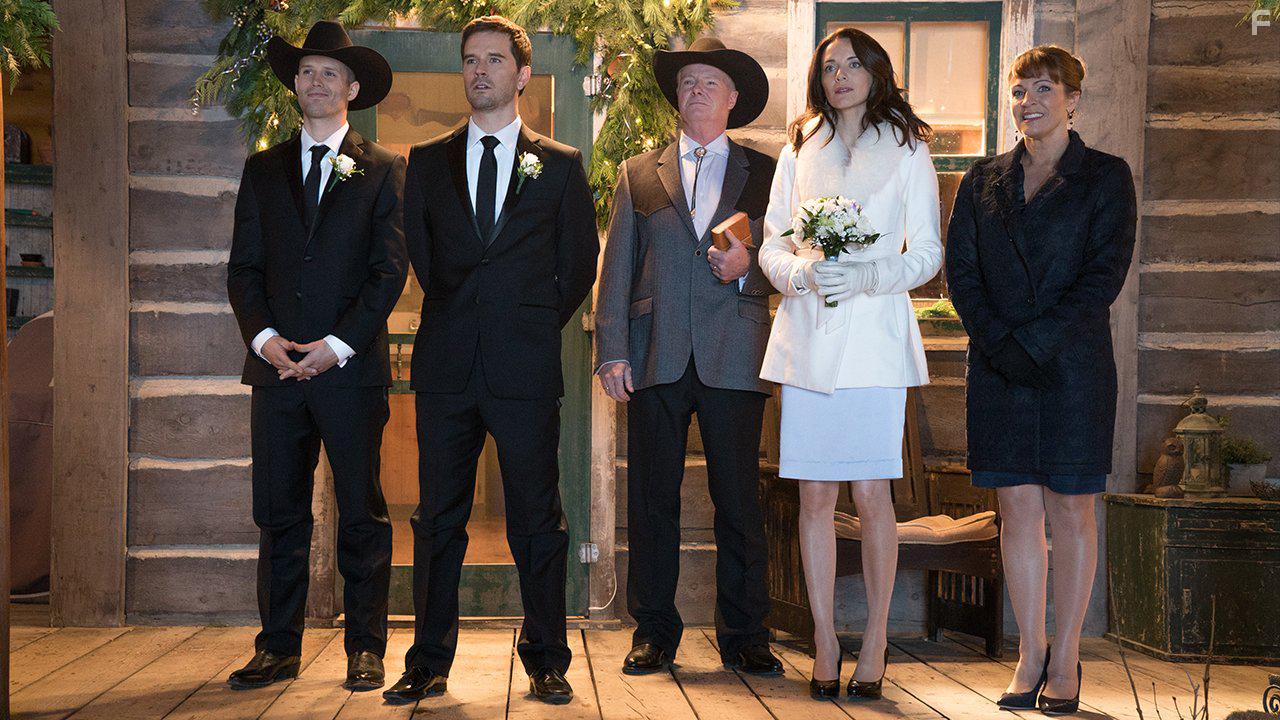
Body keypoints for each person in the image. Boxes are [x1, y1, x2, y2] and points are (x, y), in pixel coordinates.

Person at [383, 15, 599, 706]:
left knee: (537, 518)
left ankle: (545, 656)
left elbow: (578, 265)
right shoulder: (428, 161)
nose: (481, 71)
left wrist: (529, 323)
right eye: (471, 60)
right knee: (437, 518)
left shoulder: (560, 165)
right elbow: (421, 249)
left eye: (495, 60)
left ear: (522, 74)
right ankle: (428, 659)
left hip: (525, 366)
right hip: (446, 365)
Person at [944, 45, 1136, 716]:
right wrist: (1001, 343)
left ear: (1074, 99)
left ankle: (1068, 658)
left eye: (1046, 88)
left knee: (1071, 511)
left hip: (1073, 368)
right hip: (997, 368)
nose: (1031, 100)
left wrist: (1036, 341)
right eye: (1021, 89)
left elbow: (1103, 277)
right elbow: (961, 275)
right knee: (1017, 513)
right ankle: (1029, 654)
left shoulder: (1106, 177)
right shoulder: (980, 181)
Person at [756, 27, 941, 701]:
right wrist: (801, 274)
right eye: (828, 66)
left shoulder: (908, 148)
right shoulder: (801, 143)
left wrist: (866, 276)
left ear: (874, 72)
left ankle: (876, 641)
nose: (839, 76)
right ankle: (827, 640)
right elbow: (773, 242)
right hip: (807, 338)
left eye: (851, 65)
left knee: (870, 496)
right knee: (812, 495)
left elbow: (927, 255)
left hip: (873, 342)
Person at [594, 37, 784, 678]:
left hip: (736, 354)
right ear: (676, 97)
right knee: (653, 502)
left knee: (738, 501)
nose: (697, 91)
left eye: (710, 83)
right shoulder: (639, 172)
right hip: (657, 356)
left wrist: (747, 269)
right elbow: (616, 267)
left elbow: (788, 262)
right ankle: (653, 632)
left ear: (733, 99)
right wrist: (611, 351)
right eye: (688, 83)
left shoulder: (767, 172)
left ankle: (746, 635)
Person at [226, 20, 406, 692]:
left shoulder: (384, 169)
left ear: (353, 89)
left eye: (331, 73)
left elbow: (389, 273)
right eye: (307, 72)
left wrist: (334, 347)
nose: (317, 82)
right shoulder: (263, 169)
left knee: (361, 511)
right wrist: (265, 339)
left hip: (349, 372)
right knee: (279, 514)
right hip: (275, 372)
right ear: (295, 86)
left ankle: (366, 648)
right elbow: (243, 270)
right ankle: (277, 647)